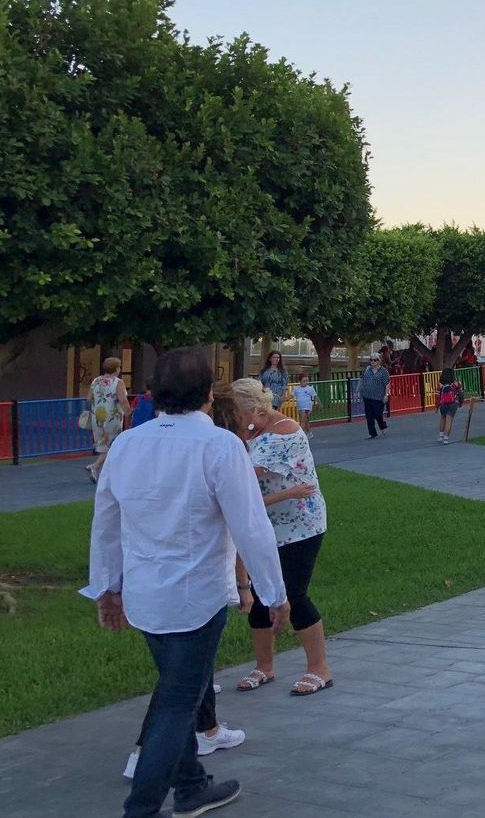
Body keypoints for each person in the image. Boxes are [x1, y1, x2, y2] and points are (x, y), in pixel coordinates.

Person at [87, 349, 289, 818]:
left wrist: (108, 587)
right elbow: (251, 526)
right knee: (178, 703)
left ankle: (192, 786)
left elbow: (106, 524)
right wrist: (274, 593)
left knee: (175, 693)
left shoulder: (128, 444)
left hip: (145, 594)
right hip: (196, 598)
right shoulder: (219, 446)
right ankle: (141, 807)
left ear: (154, 394)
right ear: (207, 393)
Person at [120, 381, 260, 781]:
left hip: (152, 585)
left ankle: (201, 748)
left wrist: (110, 585)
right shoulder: (223, 448)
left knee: (189, 677)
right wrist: (253, 587)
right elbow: (242, 527)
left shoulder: (139, 445)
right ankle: (147, 765)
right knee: (178, 688)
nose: (256, 421)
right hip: (193, 588)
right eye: (253, 414)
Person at [228, 378, 333, 697]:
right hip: (264, 524)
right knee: (260, 596)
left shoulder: (283, 433)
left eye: (235, 414)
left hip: (300, 525)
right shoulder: (250, 430)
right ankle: (265, 667)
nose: (232, 421)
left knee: (294, 594)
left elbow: (239, 484)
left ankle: (319, 670)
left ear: (252, 409)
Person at [87, 357, 130, 483]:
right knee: (112, 444)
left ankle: (104, 470)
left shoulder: (96, 381)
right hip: (112, 416)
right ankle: (95, 466)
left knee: (103, 444)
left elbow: (88, 398)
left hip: (98, 416)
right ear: (116, 369)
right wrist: (128, 411)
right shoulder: (118, 382)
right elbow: (123, 400)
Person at [358, 353, 390, 438]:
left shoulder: (383, 371)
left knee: (377, 414)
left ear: (379, 361)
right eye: (371, 360)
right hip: (367, 395)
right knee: (369, 415)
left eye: (375, 360)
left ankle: (382, 425)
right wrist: (357, 391)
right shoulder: (367, 369)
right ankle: (372, 433)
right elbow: (361, 380)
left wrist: (386, 394)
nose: (372, 362)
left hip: (378, 397)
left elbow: (387, 383)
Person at [436, 372, 465, 445]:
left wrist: (437, 407)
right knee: (449, 421)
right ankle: (446, 438)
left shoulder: (440, 385)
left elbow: (437, 396)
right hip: (453, 404)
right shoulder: (456, 384)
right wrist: (461, 403)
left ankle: (440, 436)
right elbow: (461, 394)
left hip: (443, 404)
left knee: (443, 418)